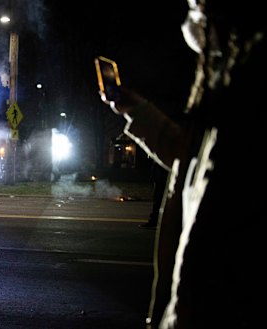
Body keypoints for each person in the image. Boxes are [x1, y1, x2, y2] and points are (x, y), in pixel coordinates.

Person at [98, 1, 265, 328]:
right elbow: (188, 158)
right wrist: (134, 109)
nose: (193, 20)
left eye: (199, 8)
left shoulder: (248, 99)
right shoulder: (222, 103)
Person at [139, 161, 168, 230]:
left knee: (158, 201)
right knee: (158, 201)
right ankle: (155, 220)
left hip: (161, 181)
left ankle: (154, 221)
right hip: (160, 180)